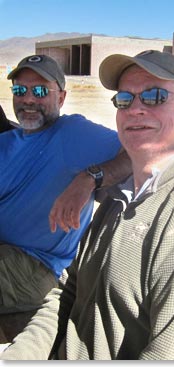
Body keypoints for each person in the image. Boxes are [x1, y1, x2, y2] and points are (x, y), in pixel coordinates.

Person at [0, 50, 174, 360]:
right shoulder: (120, 201)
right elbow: (66, 295)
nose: (136, 109)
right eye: (125, 99)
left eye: (155, 97)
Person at [0, 54, 131, 341]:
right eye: (20, 91)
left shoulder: (73, 133)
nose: (29, 100)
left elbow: (135, 152)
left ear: (61, 97)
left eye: (40, 91)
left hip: (35, 265)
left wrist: (90, 177)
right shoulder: (6, 141)